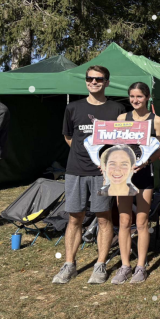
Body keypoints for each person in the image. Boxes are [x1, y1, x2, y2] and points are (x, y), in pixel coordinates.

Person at [53, 65, 126, 285]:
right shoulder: (72, 108)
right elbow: (69, 137)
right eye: (90, 78)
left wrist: (103, 161)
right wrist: (83, 154)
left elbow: (120, 140)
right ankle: (69, 265)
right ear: (86, 81)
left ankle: (100, 265)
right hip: (75, 170)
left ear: (107, 82)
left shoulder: (117, 109)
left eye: (99, 79)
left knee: (104, 217)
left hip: (103, 173)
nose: (93, 82)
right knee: (75, 217)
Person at [110, 82, 160, 284]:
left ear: (147, 97)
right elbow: (115, 145)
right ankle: (125, 266)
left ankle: (141, 266)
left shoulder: (156, 120)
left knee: (141, 222)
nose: (135, 100)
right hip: (122, 174)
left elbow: (158, 150)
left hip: (144, 175)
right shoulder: (122, 118)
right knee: (124, 221)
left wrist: (145, 162)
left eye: (139, 97)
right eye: (132, 96)